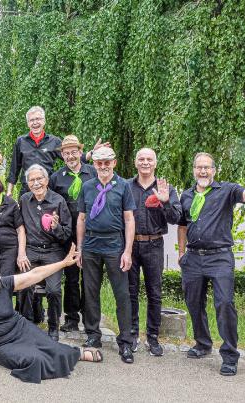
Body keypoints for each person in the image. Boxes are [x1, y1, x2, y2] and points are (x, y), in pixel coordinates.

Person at [0, 246, 104, 384]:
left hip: (21, 329)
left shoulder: (3, 284)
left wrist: (63, 263)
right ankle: (66, 357)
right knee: (34, 360)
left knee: (51, 347)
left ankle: (77, 353)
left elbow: (35, 274)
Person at [177, 152, 245, 376]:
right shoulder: (186, 196)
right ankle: (203, 343)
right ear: (193, 170)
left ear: (214, 170)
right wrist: (181, 253)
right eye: (199, 167)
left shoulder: (226, 190)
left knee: (225, 303)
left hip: (219, 257)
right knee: (193, 302)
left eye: (207, 167)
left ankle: (229, 356)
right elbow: (182, 226)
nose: (203, 171)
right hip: (193, 258)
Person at [76, 146, 137, 363]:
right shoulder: (87, 186)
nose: (103, 166)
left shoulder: (123, 187)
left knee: (122, 295)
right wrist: (80, 249)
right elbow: (81, 219)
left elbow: (129, 219)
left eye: (107, 162)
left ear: (114, 163)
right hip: (91, 244)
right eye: (99, 163)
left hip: (114, 244)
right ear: (94, 164)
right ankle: (93, 336)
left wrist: (127, 251)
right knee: (90, 293)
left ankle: (126, 342)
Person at [127, 148, 182, 355]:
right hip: (131, 245)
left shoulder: (166, 188)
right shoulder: (126, 187)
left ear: (155, 163)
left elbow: (176, 218)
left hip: (154, 245)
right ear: (135, 163)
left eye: (149, 159)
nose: (145, 163)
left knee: (154, 293)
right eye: (141, 159)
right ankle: (132, 334)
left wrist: (165, 201)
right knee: (130, 291)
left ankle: (152, 337)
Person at [48, 135, 98, 333]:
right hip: (67, 234)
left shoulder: (93, 173)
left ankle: (90, 316)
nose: (70, 156)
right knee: (71, 277)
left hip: (91, 233)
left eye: (73, 152)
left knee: (90, 277)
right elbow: (50, 202)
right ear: (62, 155)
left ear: (80, 152)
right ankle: (70, 317)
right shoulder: (56, 177)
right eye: (66, 153)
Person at [18, 164, 72, 341]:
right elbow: (19, 229)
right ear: (28, 183)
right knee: (24, 285)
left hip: (53, 252)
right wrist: (21, 253)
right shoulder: (24, 200)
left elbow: (66, 234)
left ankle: (53, 326)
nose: (36, 183)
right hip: (31, 251)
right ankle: (26, 324)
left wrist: (56, 227)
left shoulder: (58, 201)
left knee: (54, 290)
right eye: (32, 180)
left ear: (47, 180)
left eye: (39, 179)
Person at [6, 106, 103, 197]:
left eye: (38, 119)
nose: (35, 122)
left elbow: (71, 156)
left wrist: (92, 152)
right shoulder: (21, 141)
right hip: (27, 190)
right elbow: (14, 168)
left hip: (48, 190)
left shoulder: (54, 141)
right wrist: (9, 191)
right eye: (31, 120)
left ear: (44, 121)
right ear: (28, 123)